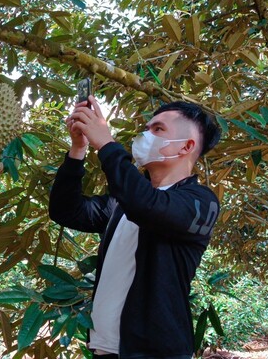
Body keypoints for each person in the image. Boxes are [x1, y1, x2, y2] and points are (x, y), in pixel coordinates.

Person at [48, 98, 221, 359]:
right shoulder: (121, 203)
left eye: (158, 129)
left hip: (155, 352)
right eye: (147, 128)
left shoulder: (200, 202)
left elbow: (148, 206)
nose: (146, 135)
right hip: (106, 348)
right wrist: (77, 150)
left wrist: (106, 143)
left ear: (186, 146)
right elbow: (65, 210)